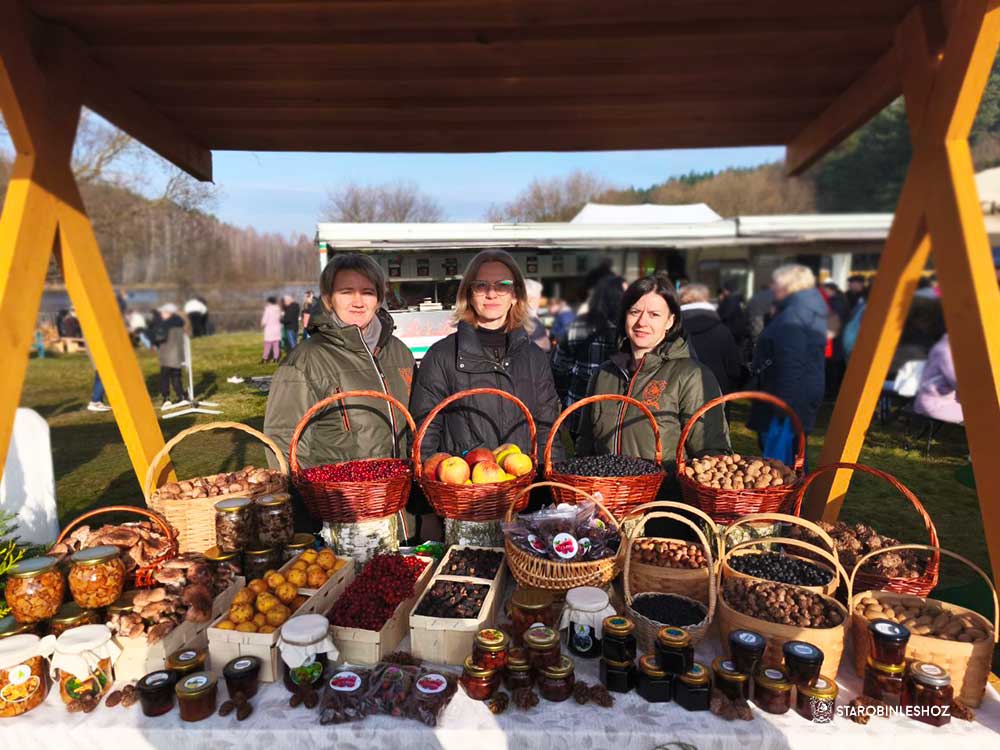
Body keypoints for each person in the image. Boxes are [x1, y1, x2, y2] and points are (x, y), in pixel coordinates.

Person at [410, 248, 563, 472]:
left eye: (503, 285)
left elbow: (547, 431)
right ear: (469, 294)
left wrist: (551, 482)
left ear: (515, 295)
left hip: (524, 485)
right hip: (464, 488)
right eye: (481, 285)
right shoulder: (441, 356)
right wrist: (429, 482)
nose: (491, 294)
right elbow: (425, 436)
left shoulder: (534, 357)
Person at [263, 252, 414, 473]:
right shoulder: (305, 361)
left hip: (399, 491)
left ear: (379, 299)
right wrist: (302, 492)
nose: (358, 302)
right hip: (339, 493)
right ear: (328, 299)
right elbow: (284, 440)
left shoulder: (400, 353)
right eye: (346, 292)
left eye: (368, 292)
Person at [578, 274, 730, 491]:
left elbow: (712, 454)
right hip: (607, 502)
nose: (642, 322)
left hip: (664, 502)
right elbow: (586, 445)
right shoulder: (603, 375)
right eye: (635, 312)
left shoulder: (691, 375)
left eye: (654, 314)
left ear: (670, 321)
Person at [747, 265, 828, 450]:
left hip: (785, 398)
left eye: (775, 283)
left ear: (789, 285)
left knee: (782, 458)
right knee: (792, 453)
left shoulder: (794, 316)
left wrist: (783, 408)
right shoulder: (806, 309)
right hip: (797, 394)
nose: (772, 287)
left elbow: (792, 364)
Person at [552, 274, 626, 416]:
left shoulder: (580, 325)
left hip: (579, 405)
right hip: (617, 411)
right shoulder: (629, 329)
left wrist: (565, 396)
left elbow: (559, 367)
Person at [678, 283, 743, 394]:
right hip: (717, 392)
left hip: (680, 393)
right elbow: (734, 369)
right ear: (705, 299)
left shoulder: (671, 329)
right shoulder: (722, 330)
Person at [913, 334, 963, 425]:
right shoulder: (945, 351)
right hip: (936, 404)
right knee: (980, 414)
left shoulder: (944, 347)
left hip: (939, 400)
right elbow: (956, 381)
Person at [151, 303, 187, 409]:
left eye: (163, 312)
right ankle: (181, 396)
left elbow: (159, 338)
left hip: (167, 354)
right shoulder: (179, 323)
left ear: (169, 313)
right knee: (176, 376)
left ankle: (166, 398)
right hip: (177, 354)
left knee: (164, 377)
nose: (161, 314)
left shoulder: (165, 325)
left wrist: (154, 341)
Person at [523, 278, 551, 352]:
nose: (539, 301)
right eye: (538, 297)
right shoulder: (527, 320)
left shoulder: (531, 316)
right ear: (529, 299)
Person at [261, 296, 282, 364]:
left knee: (267, 345)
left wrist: (262, 324)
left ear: (269, 302)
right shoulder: (278, 309)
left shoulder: (268, 309)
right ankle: (276, 358)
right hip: (277, 329)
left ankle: (265, 358)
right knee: (276, 345)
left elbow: (265, 320)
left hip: (269, 329)